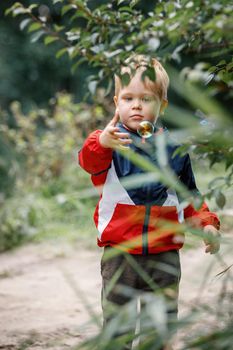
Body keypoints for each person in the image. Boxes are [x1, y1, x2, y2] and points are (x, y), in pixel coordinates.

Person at [78, 54, 220, 349]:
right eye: (128, 97)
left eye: (146, 98)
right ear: (116, 101)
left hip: (164, 254)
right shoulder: (110, 143)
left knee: (160, 331)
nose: (137, 105)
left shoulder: (174, 150)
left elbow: (189, 196)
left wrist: (206, 224)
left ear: (162, 106)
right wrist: (101, 142)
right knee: (119, 329)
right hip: (120, 254)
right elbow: (89, 162)